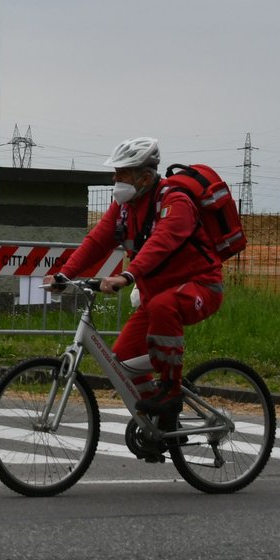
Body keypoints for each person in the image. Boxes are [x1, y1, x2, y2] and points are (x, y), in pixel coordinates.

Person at [48, 137, 224, 425]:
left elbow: (161, 242)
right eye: (115, 173)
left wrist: (127, 275)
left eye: (123, 173)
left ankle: (171, 392)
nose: (116, 179)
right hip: (154, 296)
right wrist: (65, 274)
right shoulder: (125, 208)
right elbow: (96, 242)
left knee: (164, 307)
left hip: (201, 287)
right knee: (124, 358)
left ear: (145, 177)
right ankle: (161, 423)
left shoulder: (175, 201)